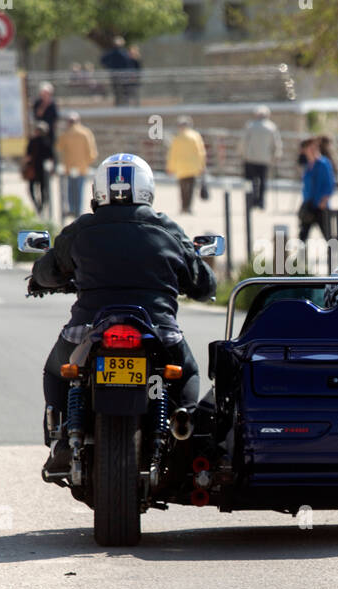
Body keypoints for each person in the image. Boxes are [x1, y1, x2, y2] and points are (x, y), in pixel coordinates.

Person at [29, 153, 215, 474]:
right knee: (189, 372)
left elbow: (48, 273)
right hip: (158, 329)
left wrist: (39, 279)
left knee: (56, 370)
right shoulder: (167, 228)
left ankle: (60, 439)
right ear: (147, 188)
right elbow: (203, 284)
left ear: (99, 190)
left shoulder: (81, 229)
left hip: (88, 328)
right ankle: (183, 422)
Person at [238, 105, 281, 209]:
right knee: (262, 182)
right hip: (264, 159)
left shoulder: (250, 126)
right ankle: (261, 202)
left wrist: (242, 154)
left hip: (250, 158)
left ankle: (250, 200)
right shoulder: (271, 127)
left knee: (250, 181)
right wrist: (276, 155)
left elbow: (243, 142)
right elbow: (276, 143)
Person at [56, 112, 98, 218]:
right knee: (79, 189)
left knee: (71, 189)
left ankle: (72, 209)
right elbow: (92, 152)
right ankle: (78, 211)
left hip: (70, 167)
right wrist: (87, 162)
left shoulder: (66, 134)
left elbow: (58, 147)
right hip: (81, 167)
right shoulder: (85, 133)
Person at [166, 116, 206, 214]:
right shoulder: (195, 136)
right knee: (191, 188)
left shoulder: (177, 138)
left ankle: (183, 206)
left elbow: (172, 154)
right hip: (193, 166)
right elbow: (200, 152)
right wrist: (202, 165)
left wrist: (170, 167)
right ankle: (188, 207)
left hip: (181, 167)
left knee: (182, 188)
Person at [298, 136, 335, 242]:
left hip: (320, 207)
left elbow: (330, 184)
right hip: (309, 205)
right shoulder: (308, 165)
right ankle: (300, 258)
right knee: (302, 236)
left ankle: (335, 257)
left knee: (328, 236)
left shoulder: (323, 163)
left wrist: (324, 201)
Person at [24, 122, 54, 215]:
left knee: (32, 189)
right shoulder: (47, 142)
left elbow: (28, 156)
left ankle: (38, 206)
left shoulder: (33, 141)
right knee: (43, 189)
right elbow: (51, 157)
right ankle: (40, 206)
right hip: (42, 169)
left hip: (33, 168)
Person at [100, 37, 133, 107]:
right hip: (118, 74)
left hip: (122, 74)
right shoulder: (114, 53)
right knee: (120, 90)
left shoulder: (123, 52)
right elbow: (103, 60)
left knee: (122, 90)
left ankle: (122, 104)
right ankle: (121, 104)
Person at [32, 81, 59, 146]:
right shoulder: (37, 103)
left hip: (50, 132)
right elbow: (37, 115)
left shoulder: (52, 104)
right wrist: (44, 105)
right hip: (40, 131)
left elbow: (55, 117)